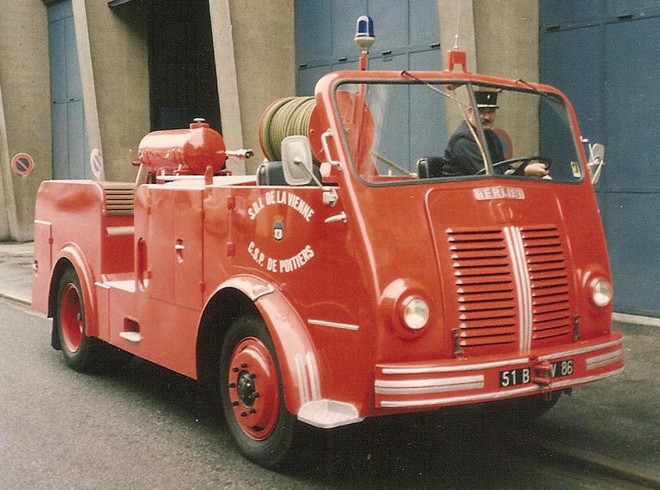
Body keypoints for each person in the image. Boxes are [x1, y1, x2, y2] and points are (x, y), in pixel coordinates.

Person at [443, 90, 549, 177]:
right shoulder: (463, 141)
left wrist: (528, 171)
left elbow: (503, 168)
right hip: (462, 197)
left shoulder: (490, 136)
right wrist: (525, 171)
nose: (487, 117)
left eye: (491, 111)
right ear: (470, 111)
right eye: (482, 112)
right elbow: (487, 175)